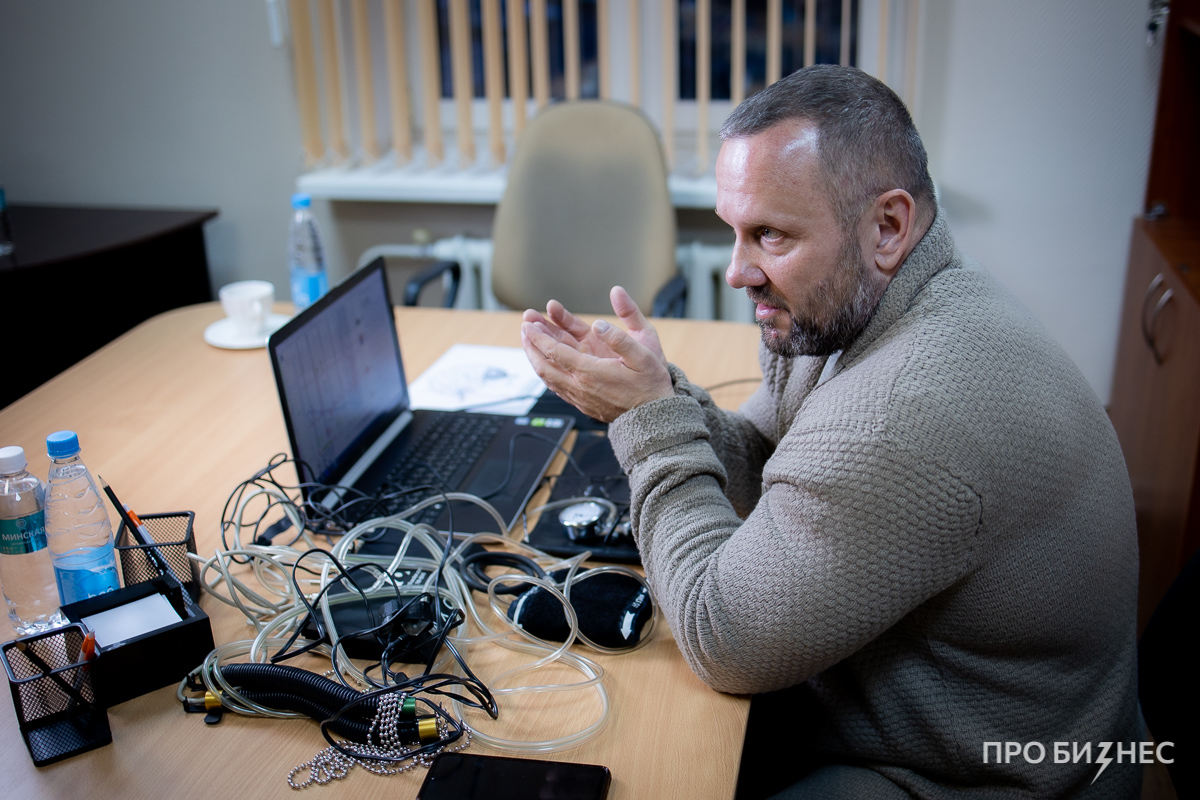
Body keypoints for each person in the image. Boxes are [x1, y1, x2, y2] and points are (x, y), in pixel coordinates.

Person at [520, 66, 1141, 799]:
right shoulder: (868, 309)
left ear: (887, 227)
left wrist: (646, 421)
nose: (737, 272)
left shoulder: (899, 414)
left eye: (771, 236)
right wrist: (658, 391)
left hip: (981, 777)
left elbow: (720, 639)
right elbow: (764, 456)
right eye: (734, 232)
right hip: (924, 714)